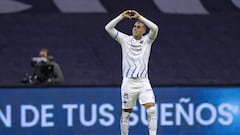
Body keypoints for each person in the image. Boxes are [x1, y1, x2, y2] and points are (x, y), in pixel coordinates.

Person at [105, 10, 159, 135]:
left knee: (151, 110)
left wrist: (140, 16)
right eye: (134, 26)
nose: (135, 28)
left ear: (144, 30)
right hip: (128, 82)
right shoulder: (125, 39)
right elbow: (108, 28)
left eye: (139, 27)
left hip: (143, 82)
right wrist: (121, 17)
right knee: (126, 114)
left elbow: (155, 28)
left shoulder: (147, 40)